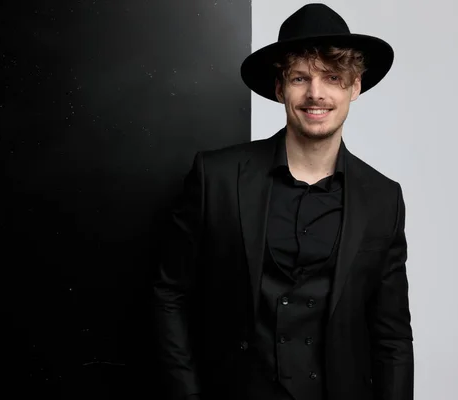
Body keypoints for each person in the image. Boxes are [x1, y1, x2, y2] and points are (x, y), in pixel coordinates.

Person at [152, 3, 414, 400]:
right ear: (279, 88)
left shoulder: (383, 198)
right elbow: (170, 295)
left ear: (355, 86)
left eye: (332, 78)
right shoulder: (216, 177)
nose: (316, 94)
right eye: (299, 78)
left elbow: (392, 334)